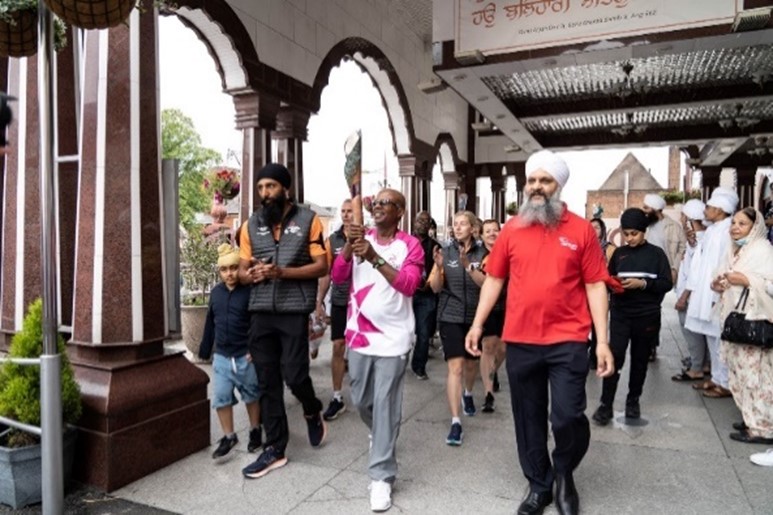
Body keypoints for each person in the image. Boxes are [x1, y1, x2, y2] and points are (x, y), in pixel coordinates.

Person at [464, 149, 614, 515]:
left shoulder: (580, 230)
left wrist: (603, 342)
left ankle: (564, 471)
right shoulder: (512, 229)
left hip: (568, 341)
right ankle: (539, 484)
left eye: (544, 180)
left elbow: (596, 285)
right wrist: (477, 324)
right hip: (522, 340)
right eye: (531, 180)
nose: (536, 186)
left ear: (558, 186)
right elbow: (494, 279)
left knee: (567, 416)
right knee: (528, 416)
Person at [330, 188, 424, 512]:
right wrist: (349, 246)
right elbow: (338, 276)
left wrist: (374, 257)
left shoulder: (410, 245)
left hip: (394, 337)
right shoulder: (361, 237)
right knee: (361, 399)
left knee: (385, 402)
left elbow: (409, 285)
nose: (379, 206)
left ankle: (382, 475)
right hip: (359, 335)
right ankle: (380, 432)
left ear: (400, 212)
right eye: (377, 202)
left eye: (387, 202)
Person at [238, 163, 328, 479]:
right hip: (260, 311)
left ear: (285, 188)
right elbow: (241, 271)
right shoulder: (251, 225)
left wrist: (281, 272)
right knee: (267, 381)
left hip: (293, 310)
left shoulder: (308, 220)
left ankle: (311, 408)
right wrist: (250, 274)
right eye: (261, 188)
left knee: (295, 374)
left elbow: (321, 266)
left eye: (271, 186)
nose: (265, 193)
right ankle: (275, 447)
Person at [591, 208, 672, 426]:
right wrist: (614, 285)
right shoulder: (619, 254)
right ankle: (605, 404)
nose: (630, 238)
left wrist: (643, 284)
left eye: (634, 234)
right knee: (614, 357)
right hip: (621, 314)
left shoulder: (656, 254)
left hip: (647, 315)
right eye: (626, 234)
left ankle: (633, 401)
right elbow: (608, 279)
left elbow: (666, 283)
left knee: (640, 360)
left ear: (644, 231)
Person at [710, 207, 773, 445]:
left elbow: (770, 284)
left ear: (755, 227)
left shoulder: (763, 250)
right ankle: (751, 419)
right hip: (735, 320)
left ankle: (763, 428)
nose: (735, 228)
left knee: (756, 377)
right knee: (740, 374)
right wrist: (718, 283)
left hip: (755, 320)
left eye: (742, 224)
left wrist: (745, 279)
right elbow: (722, 276)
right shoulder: (734, 248)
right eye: (734, 223)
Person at [429, 211, 488, 446]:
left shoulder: (483, 254)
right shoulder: (445, 251)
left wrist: (468, 267)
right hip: (450, 315)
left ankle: (468, 393)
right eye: (455, 224)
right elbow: (435, 288)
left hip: (474, 317)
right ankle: (455, 422)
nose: (458, 227)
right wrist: (437, 267)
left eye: (463, 224)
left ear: (473, 228)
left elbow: (487, 284)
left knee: (471, 365)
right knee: (456, 367)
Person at [199, 244, 262, 459]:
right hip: (222, 357)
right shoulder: (216, 293)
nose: (230, 274)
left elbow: (257, 323)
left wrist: (255, 348)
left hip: (245, 356)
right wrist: (205, 349)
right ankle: (229, 436)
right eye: (224, 270)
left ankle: (255, 429)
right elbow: (210, 321)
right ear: (219, 272)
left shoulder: (249, 291)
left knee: (251, 394)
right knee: (221, 397)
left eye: (234, 268)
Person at [684, 187, 739, 399]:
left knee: (719, 340)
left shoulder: (727, 231)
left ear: (720, 209)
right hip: (705, 291)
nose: (705, 210)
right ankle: (716, 379)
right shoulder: (713, 230)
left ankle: (725, 383)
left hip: (717, 292)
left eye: (708, 207)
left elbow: (725, 264)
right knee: (710, 336)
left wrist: (717, 294)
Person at [317, 199, 354, 420]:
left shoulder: (368, 237)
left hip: (363, 303)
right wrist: (319, 302)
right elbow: (326, 274)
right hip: (340, 301)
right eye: (343, 211)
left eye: (350, 211)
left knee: (362, 350)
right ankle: (337, 396)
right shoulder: (332, 240)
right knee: (338, 346)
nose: (346, 215)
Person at [642, 193, 685, 361]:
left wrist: (674, 268)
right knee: (646, 309)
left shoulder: (673, 226)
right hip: (644, 272)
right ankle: (646, 345)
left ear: (656, 209)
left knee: (653, 309)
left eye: (646, 208)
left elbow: (682, 249)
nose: (644, 211)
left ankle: (651, 345)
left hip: (662, 273)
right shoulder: (645, 225)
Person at [672, 199, 710, 382]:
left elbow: (695, 273)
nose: (681, 219)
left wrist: (683, 297)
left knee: (692, 332)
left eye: (683, 216)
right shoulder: (696, 240)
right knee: (699, 332)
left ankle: (696, 368)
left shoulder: (701, 241)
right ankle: (703, 363)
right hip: (692, 294)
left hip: (691, 296)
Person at [479, 219, 506, 412]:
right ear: (481, 235)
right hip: (487, 307)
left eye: (495, 230)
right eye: (487, 231)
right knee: (488, 346)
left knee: (503, 348)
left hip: (507, 305)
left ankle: (493, 371)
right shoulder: (477, 255)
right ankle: (488, 394)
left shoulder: (507, 252)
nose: (491, 234)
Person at [411, 210, 439, 380]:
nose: (421, 224)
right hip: (406, 292)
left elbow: (438, 270)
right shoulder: (405, 242)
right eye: (419, 220)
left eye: (425, 221)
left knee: (423, 332)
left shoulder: (435, 246)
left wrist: (429, 284)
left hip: (426, 294)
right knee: (403, 330)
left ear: (430, 226)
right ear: (414, 222)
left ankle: (419, 367)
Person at [588, 217, 617, 369]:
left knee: (597, 324)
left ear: (603, 230)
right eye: (591, 227)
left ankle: (594, 356)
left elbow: (614, 270)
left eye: (597, 227)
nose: (594, 230)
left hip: (601, 290)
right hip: (583, 290)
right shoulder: (583, 245)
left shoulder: (610, 249)